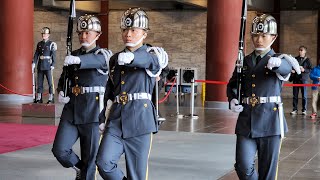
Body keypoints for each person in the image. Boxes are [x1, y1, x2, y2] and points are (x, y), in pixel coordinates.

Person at [96, 7, 167, 180]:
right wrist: (100, 118)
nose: (128, 34)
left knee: (137, 175)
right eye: (125, 29)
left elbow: (152, 62)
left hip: (140, 121)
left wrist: (133, 58)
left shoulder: (153, 55)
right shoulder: (115, 59)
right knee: (104, 162)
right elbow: (109, 91)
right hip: (117, 119)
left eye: (133, 30)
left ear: (144, 34)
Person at [227, 14, 295, 180]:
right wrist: (233, 98)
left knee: (267, 171)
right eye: (255, 35)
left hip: (270, 121)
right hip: (247, 119)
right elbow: (234, 83)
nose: (259, 39)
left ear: (273, 37)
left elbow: (286, 69)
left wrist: (279, 64)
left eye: (263, 36)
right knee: (242, 165)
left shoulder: (278, 59)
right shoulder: (245, 60)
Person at [51, 14, 112, 180]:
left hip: (92, 111)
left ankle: (85, 172)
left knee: (90, 159)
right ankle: (79, 168)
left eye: (88, 32)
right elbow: (65, 77)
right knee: (60, 150)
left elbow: (97, 61)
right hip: (72, 109)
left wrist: (77, 60)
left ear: (98, 35)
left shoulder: (103, 55)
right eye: (81, 33)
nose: (83, 36)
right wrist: (61, 91)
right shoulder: (74, 54)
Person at [32, 27, 57, 104]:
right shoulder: (39, 44)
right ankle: (39, 98)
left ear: (48, 35)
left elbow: (54, 55)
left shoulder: (51, 44)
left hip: (48, 66)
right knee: (39, 83)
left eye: (45, 34)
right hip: (40, 65)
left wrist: (53, 64)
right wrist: (34, 62)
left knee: (50, 83)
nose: (44, 35)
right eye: (43, 34)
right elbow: (36, 54)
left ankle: (51, 98)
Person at [289, 45, 312, 115]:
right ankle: (295, 109)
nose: (300, 51)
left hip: (303, 79)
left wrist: (304, 69)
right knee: (295, 95)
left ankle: (304, 110)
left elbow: (310, 69)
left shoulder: (308, 60)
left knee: (304, 96)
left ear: (305, 51)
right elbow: (292, 66)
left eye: (301, 50)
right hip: (296, 79)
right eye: (299, 50)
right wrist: (292, 70)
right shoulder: (295, 59)